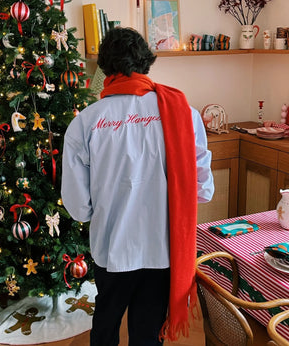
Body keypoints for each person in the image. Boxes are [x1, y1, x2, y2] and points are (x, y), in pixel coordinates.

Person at [61, 27, 214, 346]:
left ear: (105, 67)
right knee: (147, 334)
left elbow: (78, 208)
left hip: (111, 248)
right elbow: (203, 189)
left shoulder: (86, 122)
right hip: (162, 248)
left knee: (105, 326)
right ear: (146, 62)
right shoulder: (184, 113)